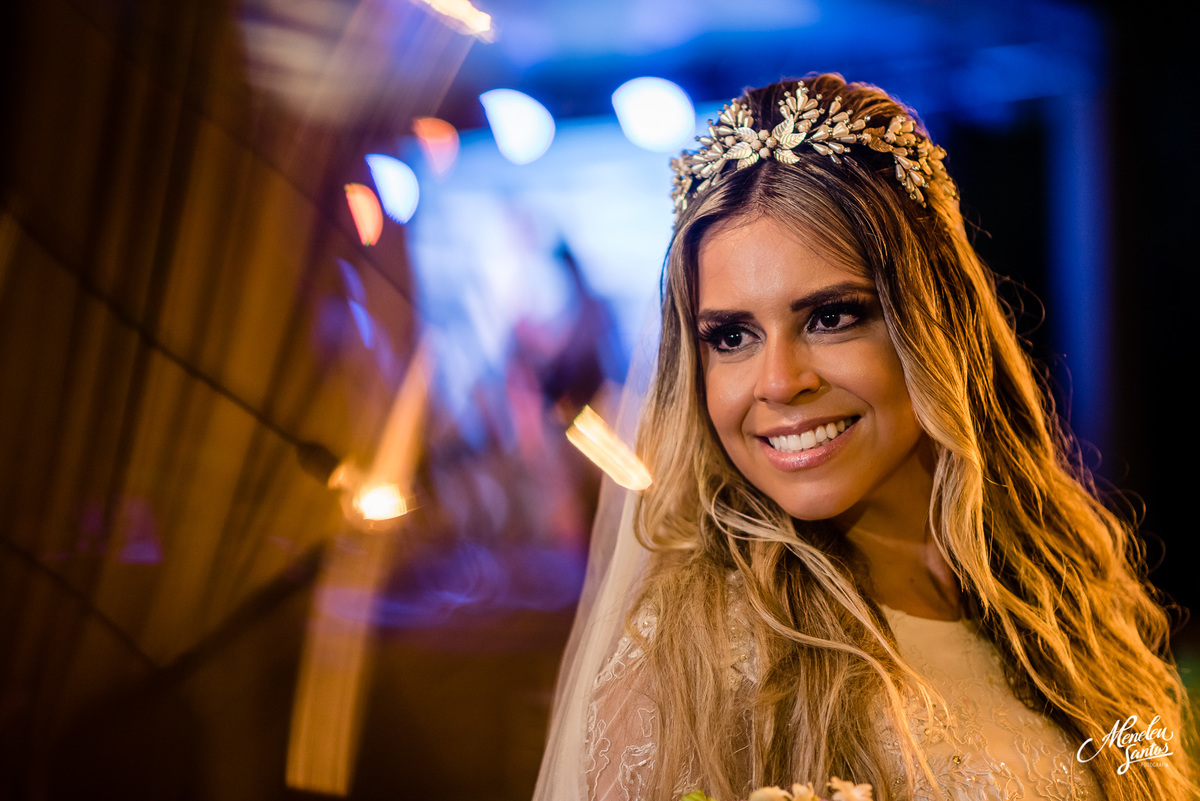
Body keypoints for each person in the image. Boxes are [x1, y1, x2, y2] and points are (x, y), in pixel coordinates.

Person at [534, 74, 1195, 801]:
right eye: (731, 335)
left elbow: (1141, 762)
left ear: (932, 321)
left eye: (831, 317)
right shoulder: (692, 658)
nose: (779, 382)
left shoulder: (1056, 579)